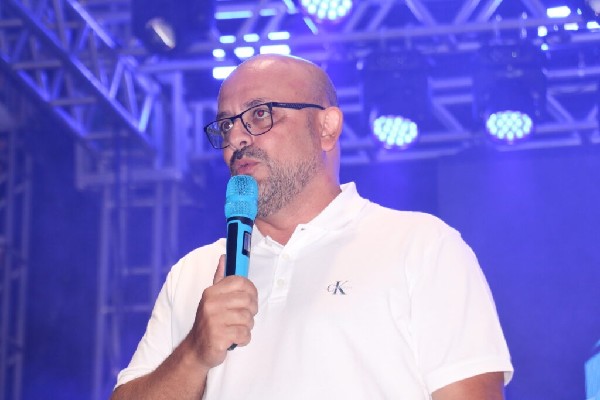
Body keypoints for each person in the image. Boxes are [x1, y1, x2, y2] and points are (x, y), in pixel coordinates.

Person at [111, 54, 513, 400]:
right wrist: (195, 352)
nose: (237, 139)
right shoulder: (193, 272)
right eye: (227, 125)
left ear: (326, 128)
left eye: (259, 114)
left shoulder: (420, 245)